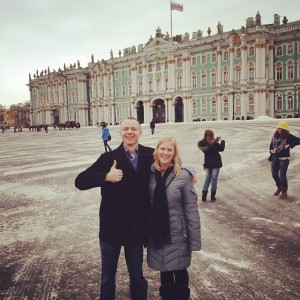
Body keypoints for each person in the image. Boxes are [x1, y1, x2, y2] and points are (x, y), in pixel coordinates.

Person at [75, 117, 154, 300]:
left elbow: (172, 160)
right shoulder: (108, 158)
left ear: (140, 133)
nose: (129, 132)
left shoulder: (150, 155)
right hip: (111, 228)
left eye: (133, 129)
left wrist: (189, 174)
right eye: (126, 128)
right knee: (107, 278)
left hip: (136, 229)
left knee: (137, 277)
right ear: (120, 133)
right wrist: (105, 177)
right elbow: (80, 181)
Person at [147, 136, 201, 300]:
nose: (165, 152)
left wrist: (194, 240)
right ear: (156, 151)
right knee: (164, 269)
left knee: (180, 269)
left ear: (174, 153)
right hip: (157, 231)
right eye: (162, 149)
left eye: (169, 149)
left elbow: (191, 209)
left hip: (178, 233)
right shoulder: (148, 173)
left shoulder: (183, 175)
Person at [269, 121, 300, 199]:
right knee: (274, 175)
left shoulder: (288, 136)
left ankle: (284, 192)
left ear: (284, 129)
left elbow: (299, 140)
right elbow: (271, 145)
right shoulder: (275, 136)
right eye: (278, 128)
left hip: (284, 159)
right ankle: (279, 187)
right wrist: (271, 150)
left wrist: (289, 145)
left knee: (282, 176)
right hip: (275, 157)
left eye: (281, 128)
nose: (279, 129)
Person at [197, 129, 225, 202]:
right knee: (214, 179)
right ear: (212, 135)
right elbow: (222, 149)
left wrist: (204, 165)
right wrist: (222, 141)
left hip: (208, 163)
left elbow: (208, 148)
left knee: (207, 179)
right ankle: (212, 197)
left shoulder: (203, 144)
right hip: (216, 163)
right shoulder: (214, 143)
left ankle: (204, 197)